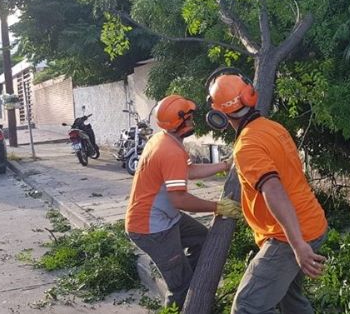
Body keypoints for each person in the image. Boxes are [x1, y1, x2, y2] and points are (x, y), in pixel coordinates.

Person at [205, 68, 328, 314]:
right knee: (290, 299)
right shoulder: (273, 127)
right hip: (310, 223)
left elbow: (274, 189)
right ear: (251, 96)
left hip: (288, 237)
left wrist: (297, 245)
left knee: (247, 307)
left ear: (218, 115)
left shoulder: (247, 145)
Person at [125, 94, 241, 310]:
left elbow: (187, 171)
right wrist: (216, 207)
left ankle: (189, 279)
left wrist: (224, 165)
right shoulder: (169, 150)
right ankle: (183, 297)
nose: (193, 121)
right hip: (152, 229)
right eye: (189, 117)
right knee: (180, 285)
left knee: (201, 238)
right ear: (180, 122)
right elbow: (179, 199)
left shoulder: (166, 140)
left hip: (164, 218)